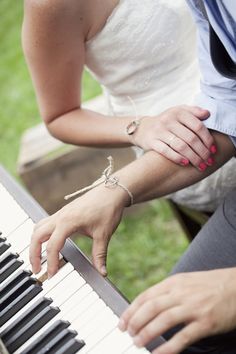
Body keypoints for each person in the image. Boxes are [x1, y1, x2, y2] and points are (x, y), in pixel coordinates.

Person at [26, 0, 236, 352]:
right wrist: (116, 188)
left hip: (202, 141)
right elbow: (229, 99)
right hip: (199, 144)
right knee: (172, 328)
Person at [22, 0, 236, 212]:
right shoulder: (50, 6)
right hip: (181, 144)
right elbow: (59, 117)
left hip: (227, 81)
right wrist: (140, 128)